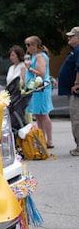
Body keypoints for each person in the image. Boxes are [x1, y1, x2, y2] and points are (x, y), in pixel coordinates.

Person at [23, 35, 54, 147]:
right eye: (26, 45)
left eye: (29, 45)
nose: (27, 47)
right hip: (34, 87)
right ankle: (42, 138)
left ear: (35, 45)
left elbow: (42, 73)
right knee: (38, 113)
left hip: (41, 87)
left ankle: (49, 140)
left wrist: (29, 68)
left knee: (43, 113)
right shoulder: (33, 56)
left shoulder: (40, 56)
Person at [57, 27, 79, 156]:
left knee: (76, 119)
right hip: (72, 90)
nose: (69, 38)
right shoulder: (75, 50)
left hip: (75, 91)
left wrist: (77, 83)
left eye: (72, 36)